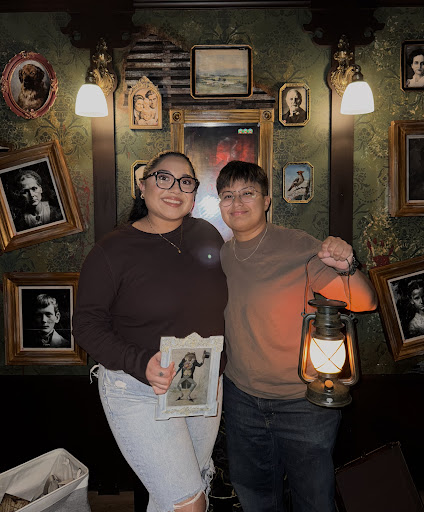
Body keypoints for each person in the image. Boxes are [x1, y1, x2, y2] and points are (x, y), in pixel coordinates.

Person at [216, 160, 378, 512]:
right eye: (227, 195)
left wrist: (347, 266)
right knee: (255, 497)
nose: (237, 202)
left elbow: (365, 302)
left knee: (314, 500)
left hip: (302, 402)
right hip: (242, 399)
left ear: (267, 201)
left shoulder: (299, 247)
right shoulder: (224, 253)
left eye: (247, 193)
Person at [73, 151, 228, 512]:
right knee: (188, 503)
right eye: (163, 178)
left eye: (186, 182)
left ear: (193, 193)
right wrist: (141, 362)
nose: (175, 188)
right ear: (142, 187)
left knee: (181, 492)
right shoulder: (112, 250)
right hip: (140, 389)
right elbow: (86, 325)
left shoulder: (206, 234)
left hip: (202, 384)